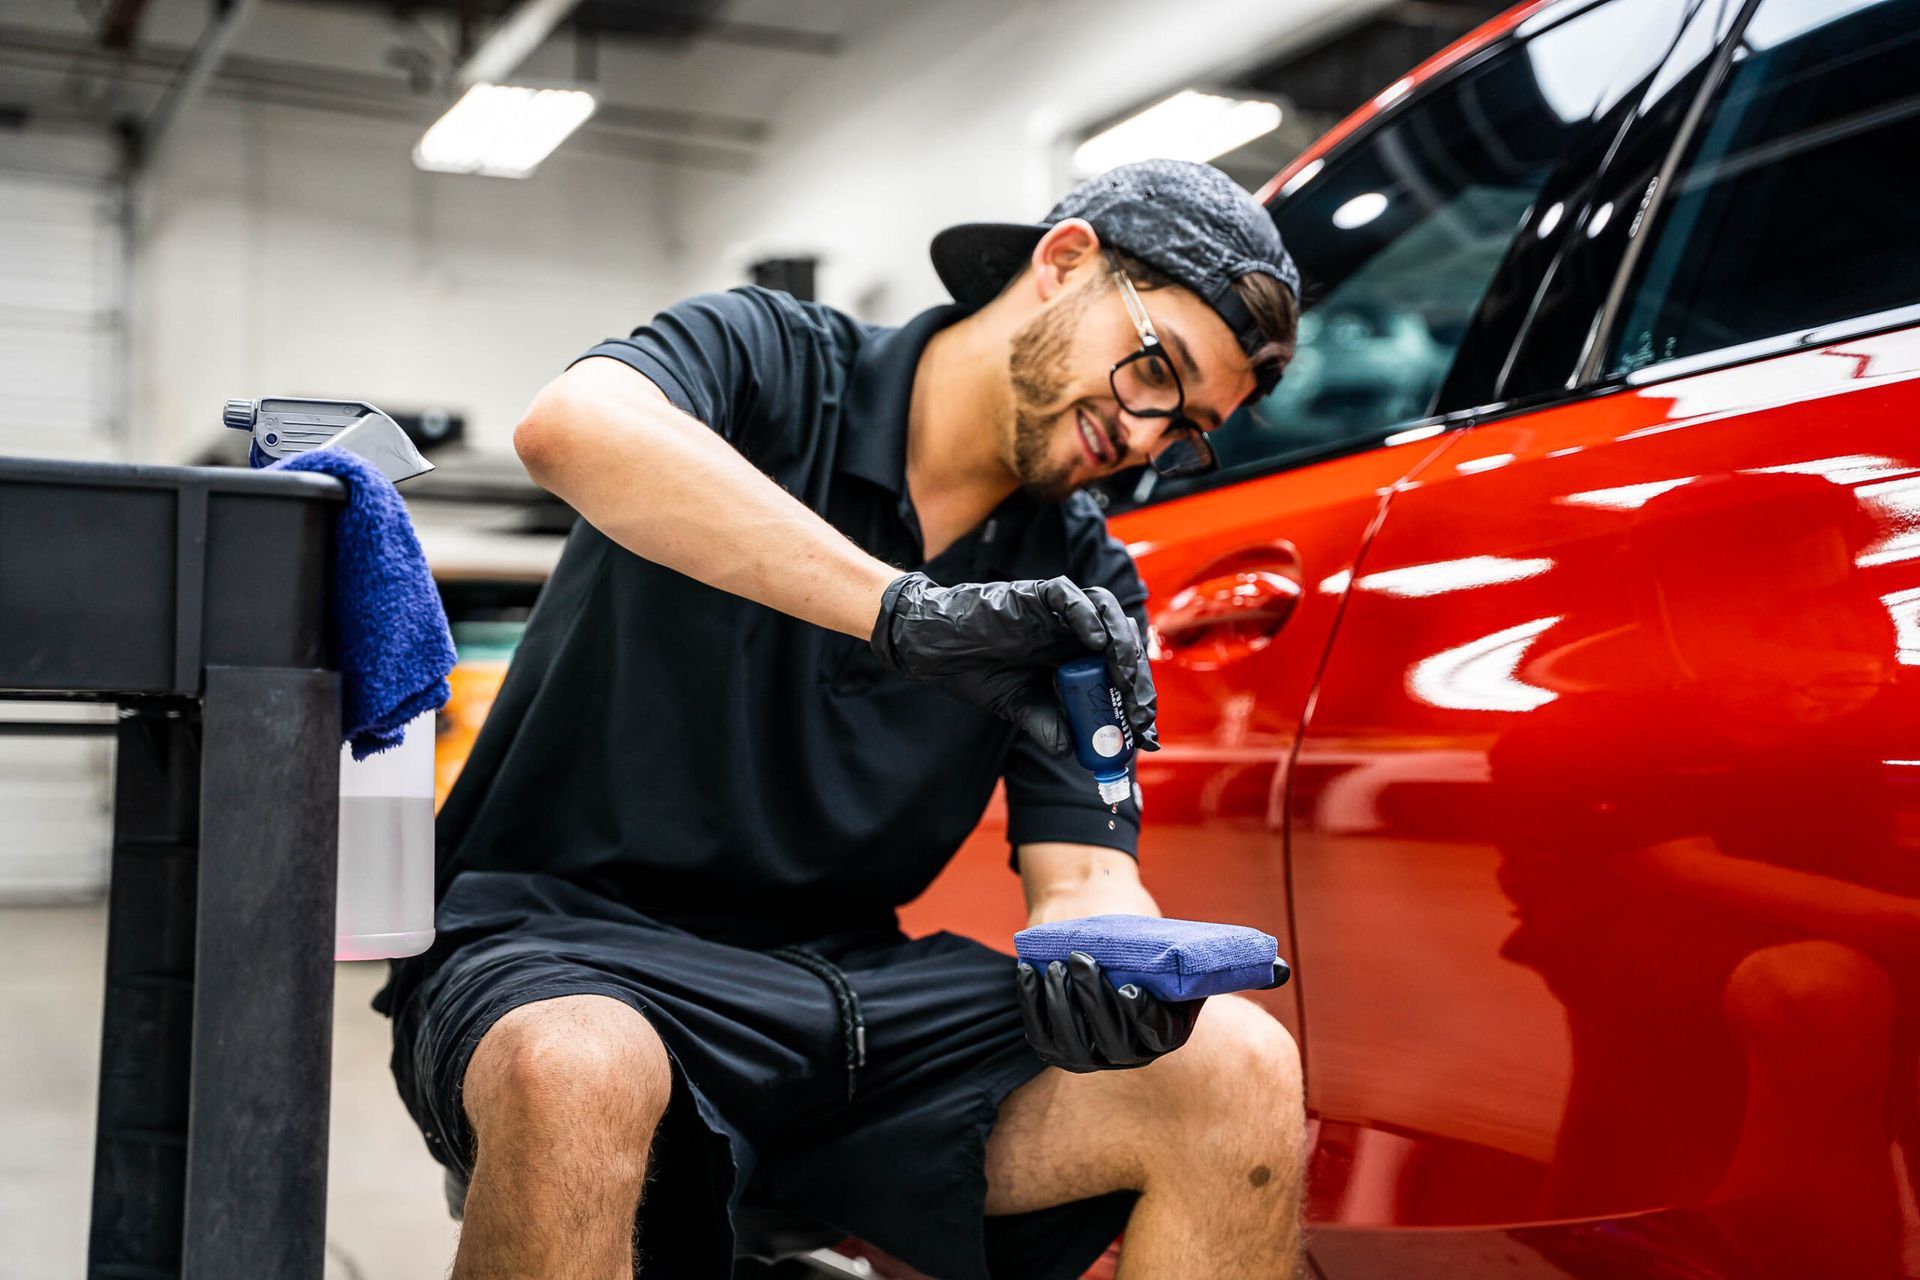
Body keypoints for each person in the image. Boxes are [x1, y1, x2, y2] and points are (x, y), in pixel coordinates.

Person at [376, 159, 1307, 1279]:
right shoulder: (768, 360)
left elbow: (1082, 871)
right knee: (574, 1064)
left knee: (1239, 1066)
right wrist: (902, 611)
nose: (1150, 435)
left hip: (852, 992)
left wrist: (1108, 962)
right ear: (1064, 263)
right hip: (568, 940)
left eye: (1191, 428)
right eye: (1157, 370)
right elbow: (573, 425)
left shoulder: (1077, 574)